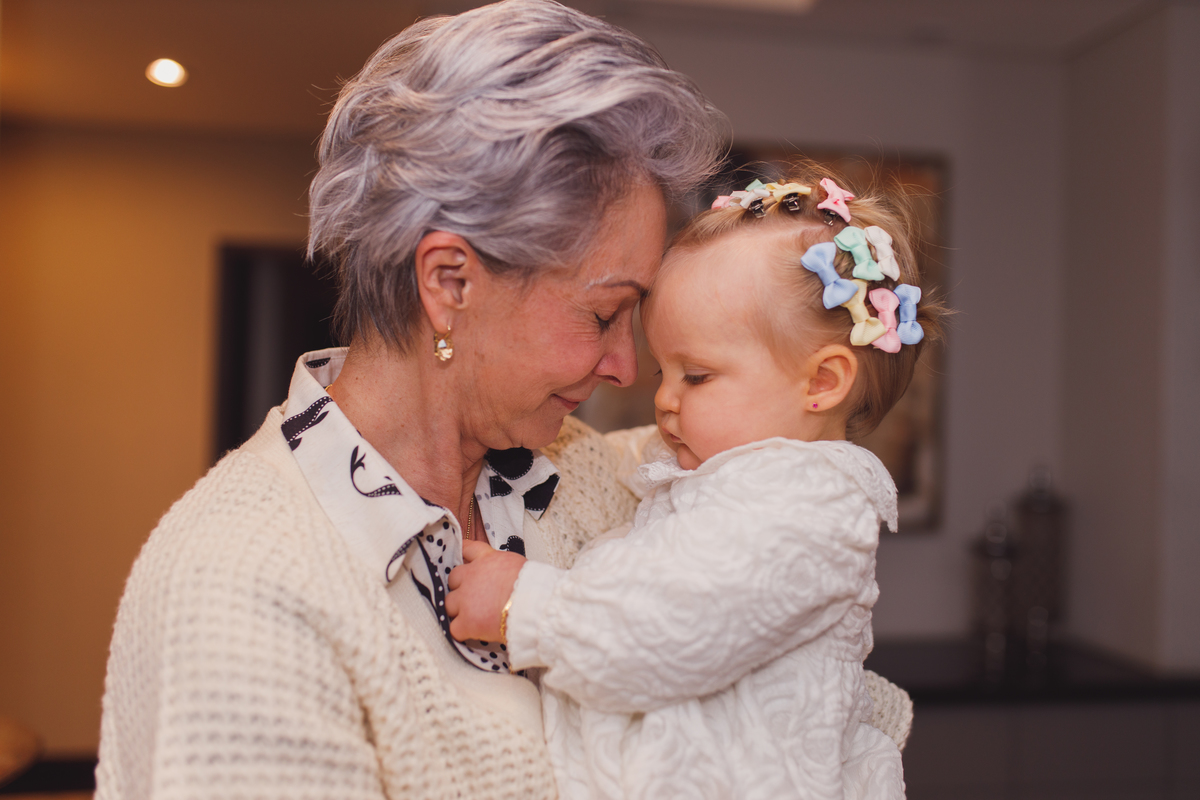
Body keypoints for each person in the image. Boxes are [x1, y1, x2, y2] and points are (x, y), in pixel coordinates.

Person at [94, 2, 724, 798]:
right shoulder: (244, 584)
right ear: (449, 281)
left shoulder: (586, 484)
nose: (626, 367)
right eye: (603, 314)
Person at [446, 165, 946, 799]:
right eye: (664, 372)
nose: (665, 400)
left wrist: (527, 604)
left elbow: (674, 625)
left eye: (699, 376)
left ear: (822, 383)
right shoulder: (724, 477)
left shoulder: (809, 507)